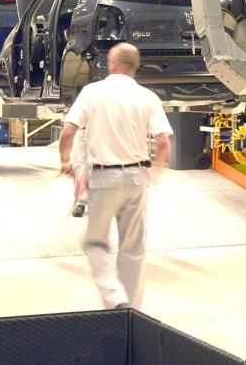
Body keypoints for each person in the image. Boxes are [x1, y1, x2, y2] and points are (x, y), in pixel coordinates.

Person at [58, 43, 173, 309]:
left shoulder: (92, 92)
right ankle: (132, 312)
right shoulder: (147, 97)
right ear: (135, 66)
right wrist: (153, 172)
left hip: (104, 179)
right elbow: (163, 142)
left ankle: (115, 298)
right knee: (133, 249)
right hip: (137, 177)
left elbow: (68, 132)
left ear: (112, 63)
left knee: (95, 243)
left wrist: (66, 162)